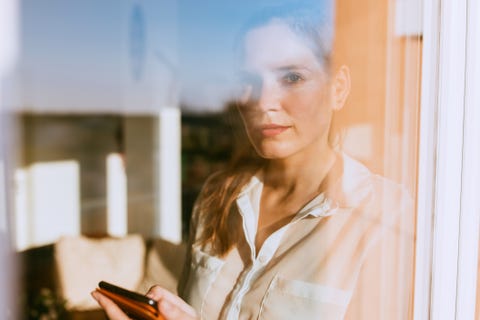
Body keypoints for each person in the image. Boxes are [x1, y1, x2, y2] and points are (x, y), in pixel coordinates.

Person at [92, 2, 414, 319]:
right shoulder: (216, 198)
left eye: (291, 77)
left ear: (338, 89)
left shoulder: (384, 216)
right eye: (249, 80)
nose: (263, 101)